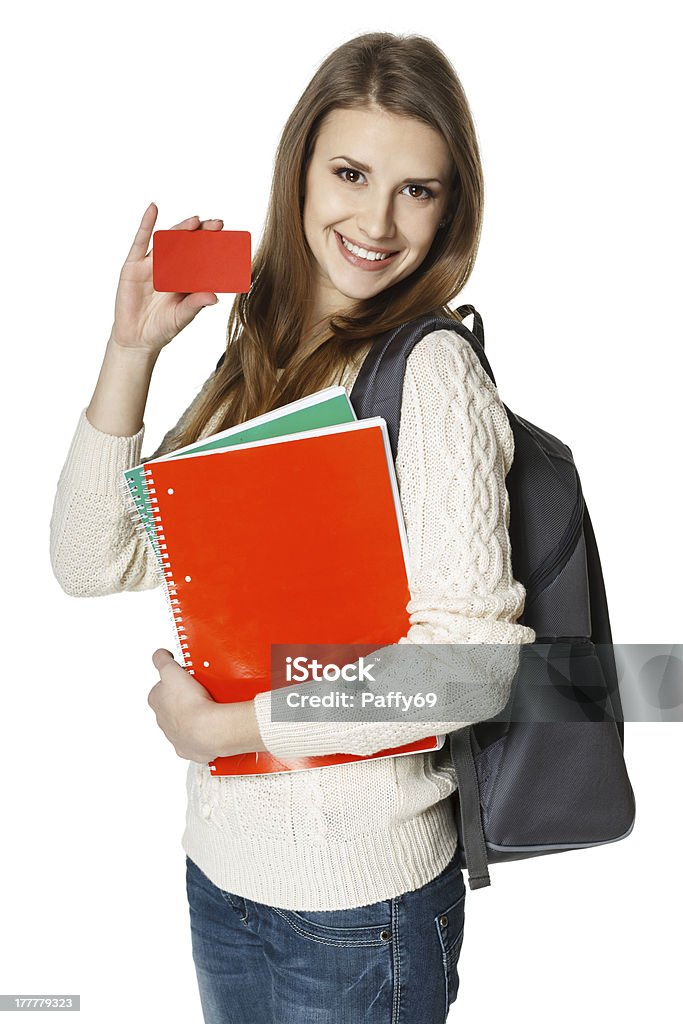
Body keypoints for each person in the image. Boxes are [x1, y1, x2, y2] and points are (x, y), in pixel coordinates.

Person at [49, 31, 536, 1024]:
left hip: (360, 907)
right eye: (350, 173)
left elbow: (473, 666)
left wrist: (224, 728)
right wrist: (129, 349)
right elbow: (94, 558)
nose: (375, 220)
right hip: (226, 878)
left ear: (451, 207)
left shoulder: (431, 372)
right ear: (300, 171)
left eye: (417, 189)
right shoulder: (263, 351)